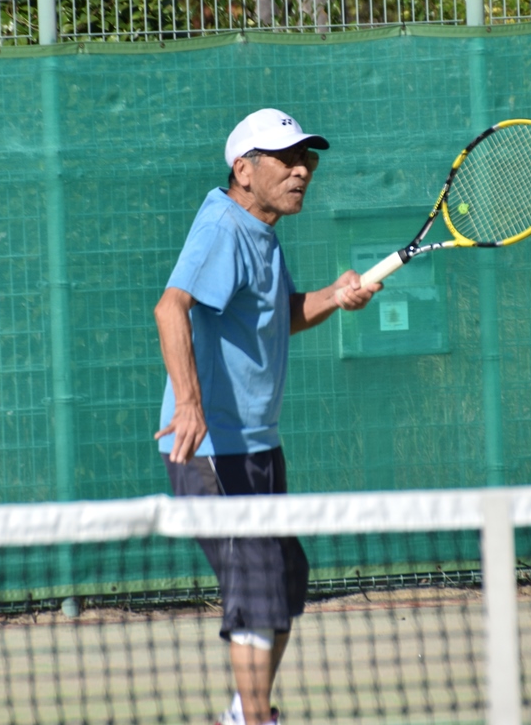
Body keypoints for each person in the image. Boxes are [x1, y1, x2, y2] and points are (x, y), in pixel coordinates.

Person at [153, 108, 380, 725]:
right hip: (209, 451)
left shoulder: (261, 233)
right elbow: (171, 308)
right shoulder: (223, 226)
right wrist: (190, 404)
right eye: (286, 159)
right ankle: (255, 719)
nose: (302, 170)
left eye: (307, 159)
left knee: (283, 576)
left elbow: (278, 316)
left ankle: (242, 711)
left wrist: (334, 296)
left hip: (256, 444)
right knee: (256, 583)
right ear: (244, 170)